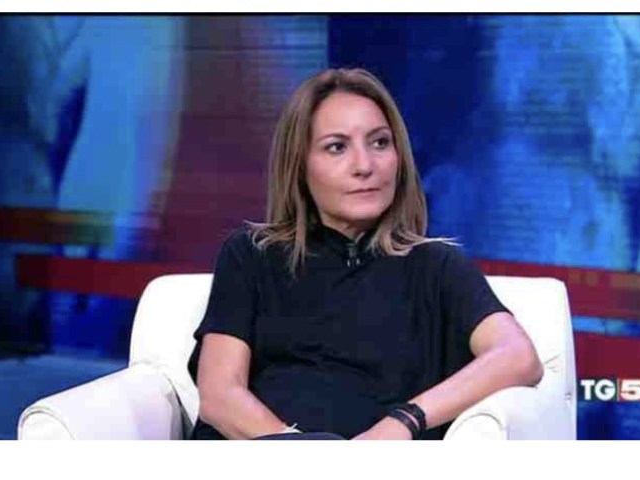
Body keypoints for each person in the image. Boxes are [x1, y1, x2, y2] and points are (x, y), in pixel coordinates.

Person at [186, 68, 543, 440]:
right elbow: (220, 397)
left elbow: (518, 356)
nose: (364, 166)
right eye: (337, 147)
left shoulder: (437, 267)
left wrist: (406, 420)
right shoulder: (251, 255)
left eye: (380, 143)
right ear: (299, 164)